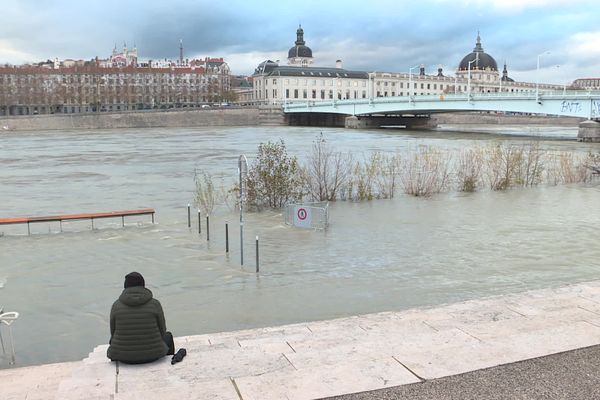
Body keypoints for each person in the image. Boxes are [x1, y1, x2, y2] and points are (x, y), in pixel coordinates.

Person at [107, 272, 174, 364]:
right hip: (153, 355)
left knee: (112, 341)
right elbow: (162, 331)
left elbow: (113, 333)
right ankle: (169, 363)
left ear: (125, 287)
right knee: (168, 336)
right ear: (143, 286)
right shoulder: (155, 304)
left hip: (123, 358)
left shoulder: (116, 306)